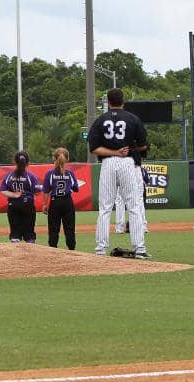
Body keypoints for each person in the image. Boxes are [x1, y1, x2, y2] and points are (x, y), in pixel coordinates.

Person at [90, 88, 151, 259]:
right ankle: (139, 249)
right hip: (127, 163)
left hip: (108, 162)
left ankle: (100, 249)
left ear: (108, 102)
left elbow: (94, 148)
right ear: (123, 101)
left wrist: (114, 152)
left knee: (105, 208)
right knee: (134, 206)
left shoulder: (101, 120)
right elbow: (143, 145)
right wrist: (128, 149)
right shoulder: (132, 118)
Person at [42, 147, 79, 249]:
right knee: (69, 229)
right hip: (67, 202)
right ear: (67, 159)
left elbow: (46, 191)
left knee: (53, 229)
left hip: (55, 202)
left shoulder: (50, 174)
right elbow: (76, 188)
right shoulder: (70, 173)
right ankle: (71, 250)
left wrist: (45, 205)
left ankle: (53, 250)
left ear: (54, 158)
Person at [0, 151, 39, 243]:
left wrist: (14, 195)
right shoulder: (31, 176)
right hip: (28, 205)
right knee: (29, 233)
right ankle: (30, 253)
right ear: (28, 163)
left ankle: (15, 255)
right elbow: (36, 192)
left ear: (15, 162)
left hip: (13, 205)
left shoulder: (9, 176)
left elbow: (2, 190)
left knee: (15, 233)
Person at [114, 164, 150, 235]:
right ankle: (142, 227)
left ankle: (119, 228)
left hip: (123, 168)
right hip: (135, 168)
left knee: (120, 202)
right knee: (139, 201)